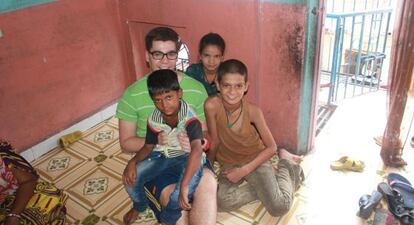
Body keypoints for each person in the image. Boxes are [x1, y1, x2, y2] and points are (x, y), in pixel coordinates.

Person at [116, 26, 216, 225]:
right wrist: (155, 142)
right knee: (173, 199)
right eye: (157, 54)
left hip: (189, 154)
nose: (164, 61)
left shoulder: (195, 89)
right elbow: (126, 142)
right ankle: (145, 202)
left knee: (209, 182)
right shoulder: (132, 94)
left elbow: (205, 134)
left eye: (170, 54)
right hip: (157, 156)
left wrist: (200, 142)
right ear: (147, 56)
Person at [204, 59, 303, 216]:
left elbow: (271, 147)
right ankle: (265, 189)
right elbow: (214, 141)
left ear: (246, 87)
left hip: (255, 160)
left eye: (238, 86)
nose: (232, 91)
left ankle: (287, 165)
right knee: (221, 201)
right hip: (229, 162)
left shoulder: (253, 111)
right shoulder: (211, 106)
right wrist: (207, 169)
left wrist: (243, 171)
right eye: (226, 85)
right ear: (217, 85)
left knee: (279, 207)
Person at [123, 69, 206, 225]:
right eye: (158, 100)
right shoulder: (154, 118)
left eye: (169, 97)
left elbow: (197, 149)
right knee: (130, 179)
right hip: (164, 156)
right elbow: (148, 146)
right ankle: (140, 205)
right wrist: (132, 162)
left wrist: (184, 185)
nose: (164, 105)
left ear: (179, 93)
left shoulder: (190, 117)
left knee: (180, 194)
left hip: (190, 158)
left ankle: (166, 218)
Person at [0, 140, 67, 225]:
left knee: (51, 198)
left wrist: (13, 215)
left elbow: (28, 181)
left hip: (12, 196)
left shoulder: (3, 161)